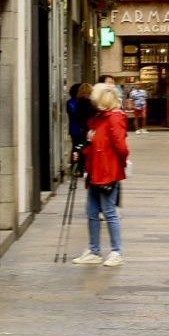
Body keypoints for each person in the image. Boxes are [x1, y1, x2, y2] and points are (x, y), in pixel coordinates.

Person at [72, 82, 129, 267]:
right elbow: (95, 143)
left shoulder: (114, 118)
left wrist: (118, 167)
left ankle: (116, 252)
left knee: (109, 212)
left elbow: (121, 147)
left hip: (107, 171)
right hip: (95, 170)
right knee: (91, 211)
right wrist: (82, 152)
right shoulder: (99, 118)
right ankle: (94, 250)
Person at [67, 83, 95, 174]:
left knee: (76, 149)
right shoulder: (88, 104)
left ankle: (75, 169)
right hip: (82, 130)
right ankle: (81, 168)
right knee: (82, 149)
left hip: (76, 129)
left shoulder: (76, 103)